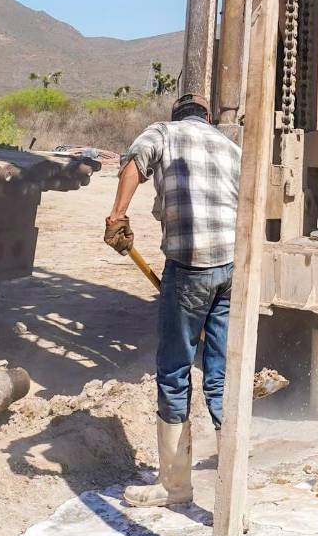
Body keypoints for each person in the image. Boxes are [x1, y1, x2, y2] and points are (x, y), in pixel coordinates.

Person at [103, 90, 240, 509]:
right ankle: (234, 494)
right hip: (232, 269)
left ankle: (175, 488)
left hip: (189, 267)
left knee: (175, 370)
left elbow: (132, 166)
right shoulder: (230, 147)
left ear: (176, 115)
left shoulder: (163, 133)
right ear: (207, 117)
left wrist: (117, 216)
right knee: (221, 377)